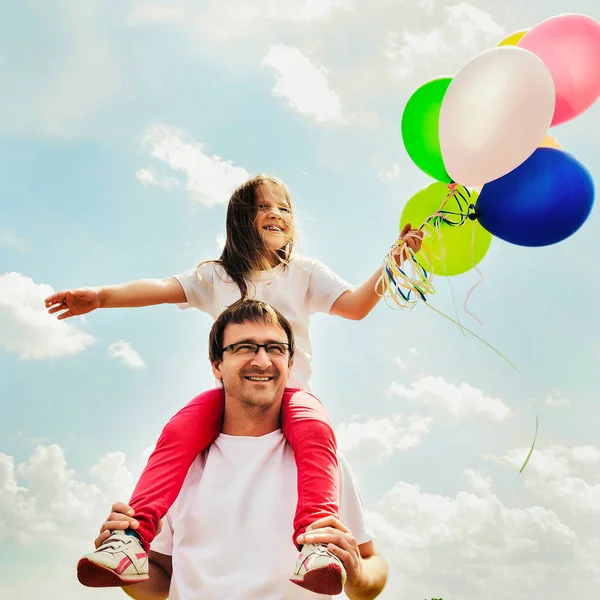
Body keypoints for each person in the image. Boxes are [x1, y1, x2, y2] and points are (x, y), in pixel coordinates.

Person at [45, 175, 421, 592]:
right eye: (264, 206)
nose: (276, 213)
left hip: (291, 396)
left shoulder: (304, 273)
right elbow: (161, 288)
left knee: (315, 429)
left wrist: (395, 261)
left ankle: (317, 539)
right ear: (240, 219)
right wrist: (101, 296)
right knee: (176, 432)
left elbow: (355, 305)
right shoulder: (216, 277)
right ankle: (131, 539)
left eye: (284, 208)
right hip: (230, 399)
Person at [88, 300, 388, 599]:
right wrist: (126, 573)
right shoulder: (181, 465)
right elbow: (159, 581)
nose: (262, 361)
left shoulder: (324, 460)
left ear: (290, 364)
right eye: (244, 347)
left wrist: (358, 573)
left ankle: (315, 551)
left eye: (275, 349)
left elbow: (371, 562)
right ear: (217, 365)